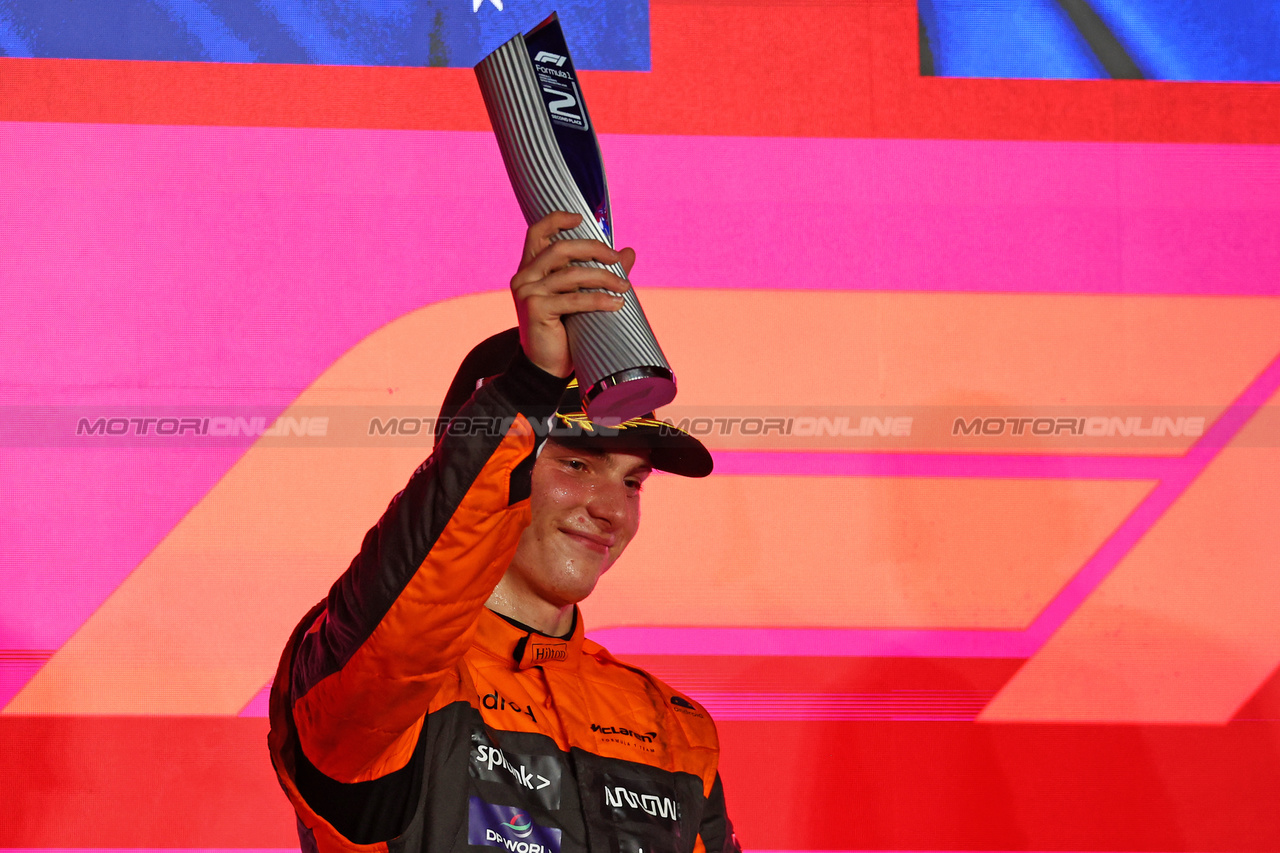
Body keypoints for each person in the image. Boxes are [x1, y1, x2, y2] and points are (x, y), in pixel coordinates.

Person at [268, 211, 739, 853]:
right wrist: (527, 389)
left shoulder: (674, 728)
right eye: (577, 463)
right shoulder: (379, 685)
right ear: (488, 468)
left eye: (633, 481)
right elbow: (405, 627)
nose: (613, 511)